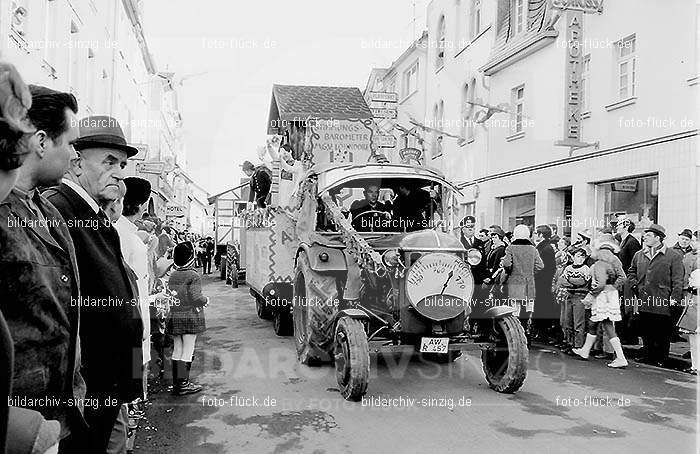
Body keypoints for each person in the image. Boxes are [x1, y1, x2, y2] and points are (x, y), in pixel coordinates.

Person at [43, 116, 143, 453]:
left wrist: (130, 382)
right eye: (109, 162)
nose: (119, 172)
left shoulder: (94, 214)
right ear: (76, 163)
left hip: (106, 387)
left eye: (123, 164)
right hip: (85, 394)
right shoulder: (59, 210)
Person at [1, 81, 76, 454]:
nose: (75, 155)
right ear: (42, 142)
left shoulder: (48, 211)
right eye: (71, 143)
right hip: (18, 424)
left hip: (57, 415)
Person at [627, 224, 685, 367]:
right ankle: (648, 355)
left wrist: (675, 299)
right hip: (645, 298)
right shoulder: (639, 254)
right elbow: (631, 271)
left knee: (662, 331)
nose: (644, 237)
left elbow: (678, 280)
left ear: (657, 238)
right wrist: (635, 284)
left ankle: (661, 357)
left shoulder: (673, 256)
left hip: (663, 300)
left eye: (648, 235)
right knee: (646, 330)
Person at [572, 234, 629, 367]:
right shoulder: (615, 261)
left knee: (607, 325)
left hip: (602, 296)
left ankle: (621, 357)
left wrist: (591, 296)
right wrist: (613, 287)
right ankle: (585, 350)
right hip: (611, 295)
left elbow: (600, 284)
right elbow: (623, 277)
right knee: (594, 322)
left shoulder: (599, 264)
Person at [167, 241, 208, 396]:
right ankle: (184, 384)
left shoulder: (173, 274)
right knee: (188, 349)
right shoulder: (193, 275)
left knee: (177, 348)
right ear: (191, 257)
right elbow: (196, 298)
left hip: (175, 315)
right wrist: (206, 301)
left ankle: (177, 384)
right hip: (189, 316)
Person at [501, 224, 544, 342]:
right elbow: (540, 266)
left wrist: (511, 272)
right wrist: (530, 272)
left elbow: (506, 264)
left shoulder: (511, 248)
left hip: (515, 283)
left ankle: (516, 338)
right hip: (529, 284)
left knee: (515, 312)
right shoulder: (533, 249)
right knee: (527, 311)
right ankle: (527, 337)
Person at [557, 248, 592, 353]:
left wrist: (570, 281)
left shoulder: (586, 269)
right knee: (568, 322)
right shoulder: (568, 268)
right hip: (569, 295)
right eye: (577, 256)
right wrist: (572, 283)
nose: (580, 259)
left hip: (580, 296)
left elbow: (582, 281)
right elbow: (561, 281)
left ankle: (578, 345)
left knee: (578, 323)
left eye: (582, 256)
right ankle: (569, 343)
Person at [615, 218, 642, 345]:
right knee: (623, 308)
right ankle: (624, 334)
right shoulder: (624, 241)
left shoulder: (631, 242)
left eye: (619, 225)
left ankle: (629, 335)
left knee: (627, 308)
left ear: (626, 227)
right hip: (623, 280)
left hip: (628, 281)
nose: (617, 227)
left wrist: (633, 281)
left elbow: (635, 262)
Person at [533, 225, 558, 343]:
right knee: (540, 307)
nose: (534, 235)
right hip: (541, 282)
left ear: (540, 234)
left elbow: (548, 268)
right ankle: (540, 331)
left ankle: (543, 332)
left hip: (543, 282)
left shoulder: (546, 248)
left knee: (542, 307)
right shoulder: (543, 247)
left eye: (535, 233)